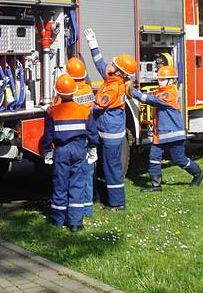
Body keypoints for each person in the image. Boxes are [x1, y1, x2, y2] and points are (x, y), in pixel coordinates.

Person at [128, 66, 203, 192]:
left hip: (174, 134)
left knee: (179, 159)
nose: (160, 81)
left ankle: (198, 173)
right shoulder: (160, 91)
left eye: (163, 79)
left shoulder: (170, 93)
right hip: (162, 134)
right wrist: (134, 90)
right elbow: (148, 95)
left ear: (171, 80)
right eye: (159, 79)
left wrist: (133, 92)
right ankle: (156, 185)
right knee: (154, 157)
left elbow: (152, 100)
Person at [84, 28, 136, 211]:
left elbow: (98, 106)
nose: (110, 64)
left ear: (120, 72)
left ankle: (117, 203)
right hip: (109, 132)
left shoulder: (114, 88)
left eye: (114, 63)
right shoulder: (113, 80)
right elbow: (100, 64)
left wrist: (80, 105)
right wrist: (93, 44)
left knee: (112, 169)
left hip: (111, 136)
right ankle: (108, 198)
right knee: (107, 167)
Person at [41, 74, 98, 232]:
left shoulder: (53, 112)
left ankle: (58, 220)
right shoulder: (84, 111)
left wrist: (47, 152)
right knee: (77, 185)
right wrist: (92, 149)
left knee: (60, 185)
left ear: (58, 93)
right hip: (79, 149)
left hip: (61, 150)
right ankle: (75, 223)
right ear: (74, 92)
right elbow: (92, 133)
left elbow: (48, 136)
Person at [65, 57, 97, 218]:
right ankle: (87, 209)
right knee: (87, 174)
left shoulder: (70, 92)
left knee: (73, 175)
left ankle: (72, 209)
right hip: (86, 136)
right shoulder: (88, 90)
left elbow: (58, 107)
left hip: (73, 139)